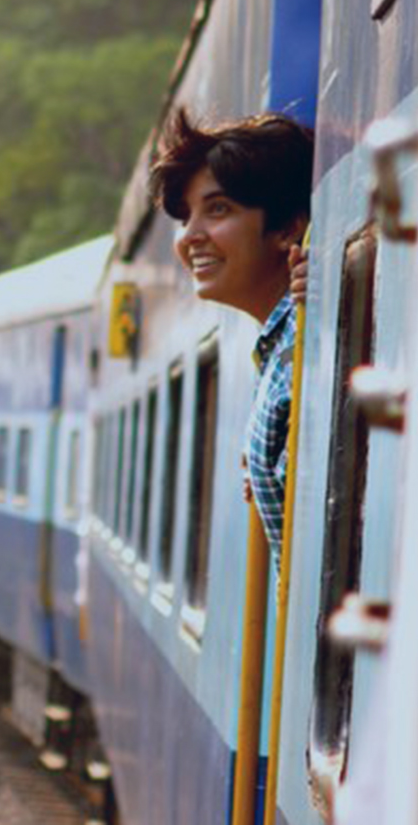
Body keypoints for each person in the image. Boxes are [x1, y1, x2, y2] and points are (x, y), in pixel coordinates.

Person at [147, 108, 314, 568]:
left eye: (218, 209)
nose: (189, 237)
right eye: (187, 217)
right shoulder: (281, 349)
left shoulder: (308, 351)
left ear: (287, 228)